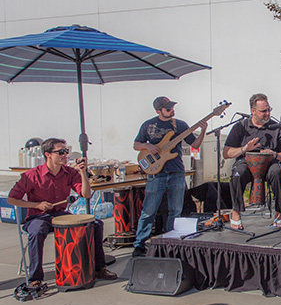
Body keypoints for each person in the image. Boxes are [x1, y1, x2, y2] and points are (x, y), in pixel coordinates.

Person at [8, 138, 118, 287]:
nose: (65, 155)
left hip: (59, 215)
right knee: (37, 232)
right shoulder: (32, 175)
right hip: (37, 217)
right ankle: (35, 278)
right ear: (48, 154)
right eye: (61, 152)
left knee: (95, 224)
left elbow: (85, 194)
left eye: (66, 151)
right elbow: (12, 199)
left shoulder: (70, 172)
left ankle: (99, 268)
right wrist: (36, 205)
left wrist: (83, 173)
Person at [132, 96, 207, 257]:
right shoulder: (148, 125)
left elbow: (194, 145)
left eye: (172, 107)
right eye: (167, 109)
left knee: (175, 210)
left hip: (176, 172)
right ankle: (139, 244)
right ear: (158, 111)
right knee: (149, 210)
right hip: (156, 173)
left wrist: (203, 130)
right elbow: (136, 144)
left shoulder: (180, 125)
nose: (172, 110)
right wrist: (147, 146)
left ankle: (170, 240)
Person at [223, 93, 281, 229]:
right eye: (263, 111)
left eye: (269, 110)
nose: (267, 114)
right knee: (237, 174)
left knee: (278, 172)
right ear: (253, 111)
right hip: (246, 163)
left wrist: (275, 154)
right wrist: (244, 148)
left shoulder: (276, 128)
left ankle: (280, 214)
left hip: (269, 163)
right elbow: (226, 153)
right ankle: (236, 212)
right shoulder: (240, 127)